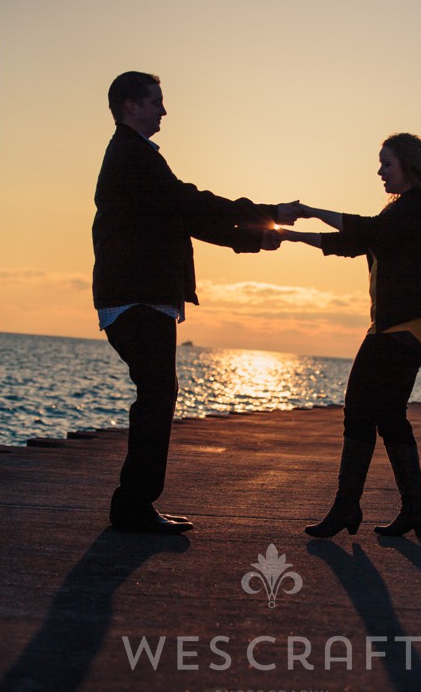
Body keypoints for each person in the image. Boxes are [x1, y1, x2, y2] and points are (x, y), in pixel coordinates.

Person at [93, 71, 295, 535]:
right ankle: (133, 505)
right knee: (158, 393)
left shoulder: (136, 158)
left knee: (157, 392)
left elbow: (183, 216)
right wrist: (265, 212)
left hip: (139, 297)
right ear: (130, 105)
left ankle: (134, 504)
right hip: (137, 297)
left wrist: (257, 239)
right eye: (156, 101)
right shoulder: (132, 156)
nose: (164, 111)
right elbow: (190, 202)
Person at [281, 134, 421, 539]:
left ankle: (346, 508)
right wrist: (294, 236)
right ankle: (414, 509)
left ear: (410, 166)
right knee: (388, 413)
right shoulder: (403, 210)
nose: (380, 171)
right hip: (400, 323)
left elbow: (366, 229)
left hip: (417, 322)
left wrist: (310, 211)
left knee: (359, 407)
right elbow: (354, 242)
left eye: (387, 164)